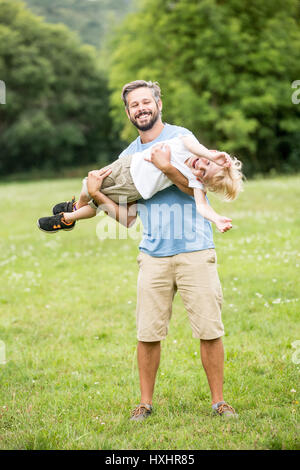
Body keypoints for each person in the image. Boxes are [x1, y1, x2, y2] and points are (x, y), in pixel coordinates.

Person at [37, 135, 243, 234]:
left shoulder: (194, 179)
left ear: (203, 180)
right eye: (207, 162)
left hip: (133, 187)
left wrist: (216, 218)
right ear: (212, 153)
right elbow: (197, 148)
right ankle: (73, 211)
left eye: (204, 173)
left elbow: (202, 205)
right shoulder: (189, 143)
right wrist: (210, 156)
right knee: (90, 183)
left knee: (96, 200)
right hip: (126, 166)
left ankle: (68, 216)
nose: (200, 166)